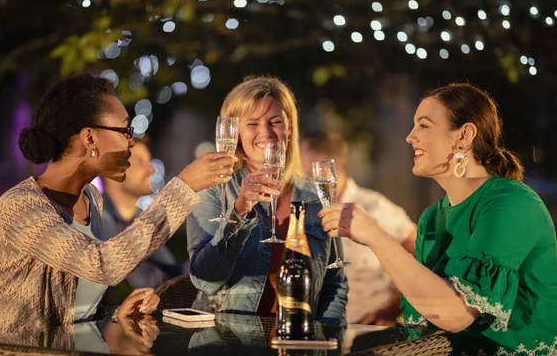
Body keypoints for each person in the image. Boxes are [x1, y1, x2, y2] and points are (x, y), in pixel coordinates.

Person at [0, 74, 235, 350]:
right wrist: (183, 188)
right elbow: (102, 264)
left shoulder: (92, 199)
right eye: (125, 131)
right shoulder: (20, 206)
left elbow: (69, 311)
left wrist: (113, 313)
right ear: (90, 138)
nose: (131, 142)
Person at [319, 83, 557, 350]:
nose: (410, 137)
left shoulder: (510, 203)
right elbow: (429, 320)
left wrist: (376, 237)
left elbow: (457, 315)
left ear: (464, 135)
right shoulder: (432, 218)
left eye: (423, 125)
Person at [187, 76, 347, 321]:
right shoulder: (213, 188)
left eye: (275, 122)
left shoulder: (315, 196)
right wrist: (239, 211)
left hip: (296, 339)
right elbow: (205, 281)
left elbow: (335, 285)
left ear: (290, 127)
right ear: (235, 131)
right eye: (252, 124)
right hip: (227, 342)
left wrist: (328, 338)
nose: (266, 133)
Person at [300, 132, 417, 325]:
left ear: (321, 167)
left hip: (369, 330)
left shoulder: (374, 207)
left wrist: (396, 306)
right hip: (320, 328)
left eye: (300, 163)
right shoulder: (305, 210)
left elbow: (426, 256)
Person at [101, 138, 187, 296]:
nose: (152, 170)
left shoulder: (141, 217)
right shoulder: (98, 219)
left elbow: (172, 269)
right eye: (140, 162)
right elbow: (138, 282)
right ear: (113, 170)